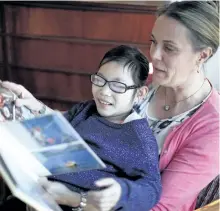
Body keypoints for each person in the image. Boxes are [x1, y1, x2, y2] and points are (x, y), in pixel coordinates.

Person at [1, 1, 219, 210]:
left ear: (202, 55)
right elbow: (85, 125)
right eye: (154, 41)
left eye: (169, 48)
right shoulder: (143, 84)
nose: (154, 55)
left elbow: (158, 204)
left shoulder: (213, 130)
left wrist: (76, 200)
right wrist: (35, 109)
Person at [0, 45, 161, 211]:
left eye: (118, 86)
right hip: (40, 191)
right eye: (100, 80)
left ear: (140, 94)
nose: (104, 91)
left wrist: (122, 192)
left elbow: (152, 187)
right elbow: (60, 126)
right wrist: (35, 107)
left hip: (75, 204)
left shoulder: (139, 138)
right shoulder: (86, 109)